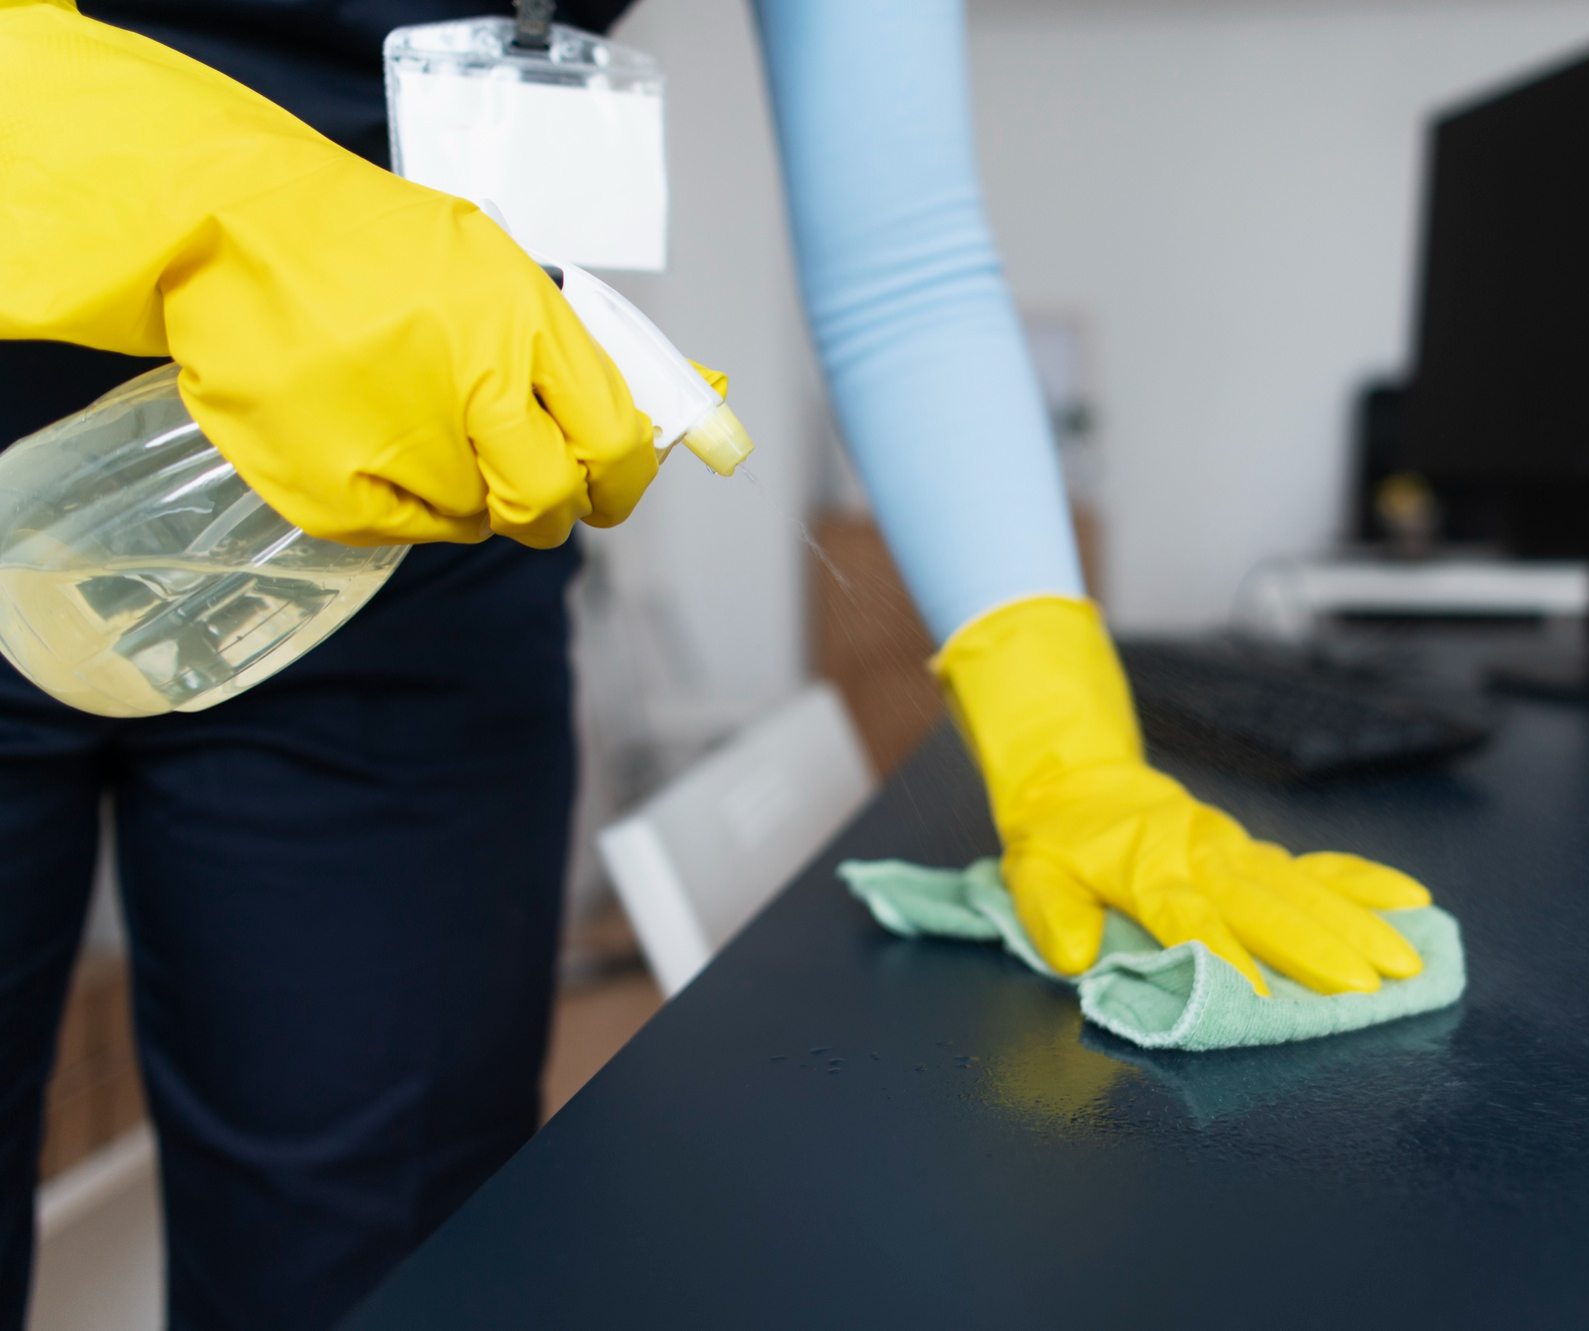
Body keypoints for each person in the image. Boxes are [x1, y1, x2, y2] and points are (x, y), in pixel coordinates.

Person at [0, 1, 1433, 1326]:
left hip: (413, 532)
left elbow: (907, 257)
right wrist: (210, 202)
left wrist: (1070, 745)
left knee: (381, 1266)